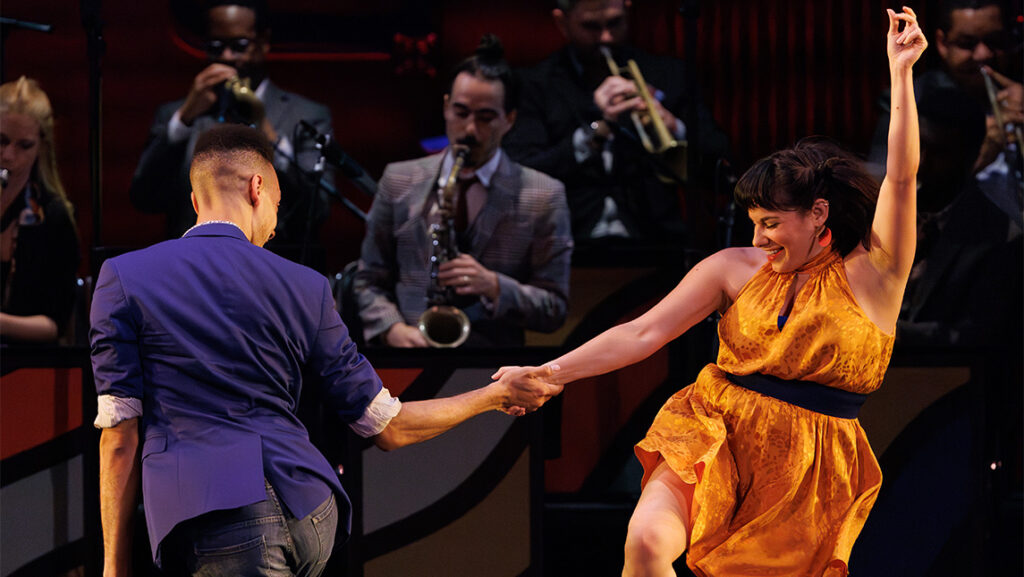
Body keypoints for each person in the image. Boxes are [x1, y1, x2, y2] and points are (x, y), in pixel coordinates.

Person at [494, 8, 927, 575]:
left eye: (771, 222)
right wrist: (552, 375)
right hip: (712, 427)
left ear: (817, 214)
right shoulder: (731, 267)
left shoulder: (876, 274)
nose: (758, 236)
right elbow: (641, 332)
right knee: (646, 543)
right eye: (753, 221)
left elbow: (901, 177)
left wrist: (901, 73)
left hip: (809, 464)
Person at [92, 124, 561, 576]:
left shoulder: (125, 278)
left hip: (220, 516)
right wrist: (494, 395)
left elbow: (118, 437)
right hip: (312, 512)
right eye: (277, 205)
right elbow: (389, 427)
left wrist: (114, 567)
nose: (274, 228)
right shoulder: (306, 286)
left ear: (195, 200)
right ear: (258, 188)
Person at [353, 35, 573, 348]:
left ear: (509, 120)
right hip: (409, 358)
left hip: (493, 367)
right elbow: (367, 281)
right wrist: (391, 329)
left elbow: (555, 308)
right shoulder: (398, 179)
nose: (470, 129)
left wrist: (495, 286)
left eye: (485, 118)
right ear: (445, 107)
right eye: (461, 113)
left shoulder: (544, 195)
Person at [503, 0, 730, 245]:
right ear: (562, 22)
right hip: (567, 242)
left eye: (615, 23)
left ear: (628, 10)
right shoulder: (535, 84)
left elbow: (722, 167)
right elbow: (520, 174)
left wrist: (674, 127)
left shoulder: (669, 74)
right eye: (591, 26)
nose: (607, 38)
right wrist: (596, 131)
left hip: (656, 242)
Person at [129, 0, 335, 256]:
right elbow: (144, 198)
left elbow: (316, 211)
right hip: (194, 271)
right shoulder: (178, 115)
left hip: (274, 270)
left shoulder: (306, 116)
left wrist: (267, 132)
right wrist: (183, 120)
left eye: (239, 46)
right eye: (216, 47)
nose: (227, 57)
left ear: (263, 43)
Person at [868, 0, 1022, 197]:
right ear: (942, 43)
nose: (983, 54)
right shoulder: (911, 102)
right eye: (967, 43)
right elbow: (883, 193)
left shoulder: (1018, 88)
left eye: (995, 41)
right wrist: (986, 148)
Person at [0, 76, 80, 343]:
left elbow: (54, 325)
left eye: (24, 145)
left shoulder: (53, 216)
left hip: (24, 365)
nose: (9, 156)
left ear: (41, 147)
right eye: (1, 141)